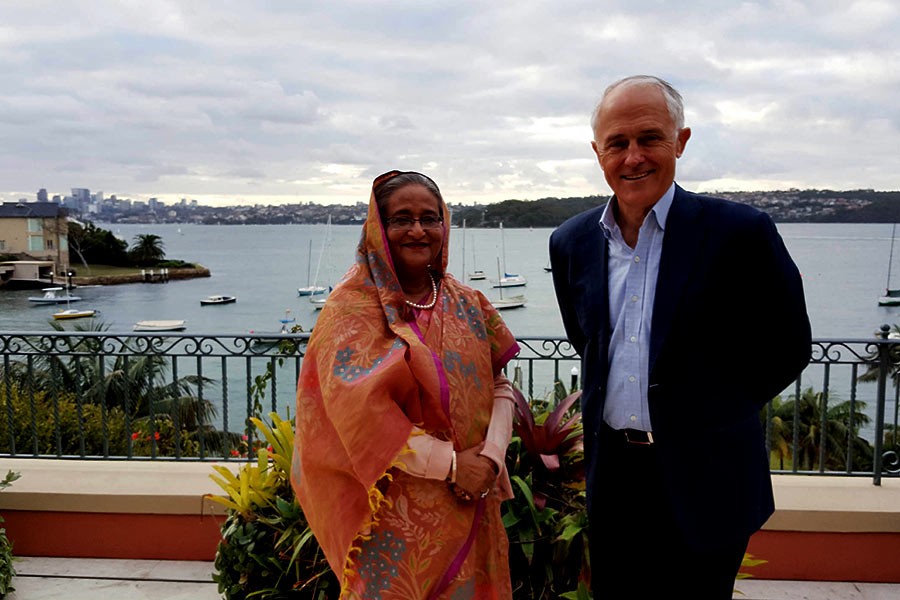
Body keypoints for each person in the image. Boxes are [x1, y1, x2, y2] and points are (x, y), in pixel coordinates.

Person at [549, 75, 812, 598]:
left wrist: (712, 414)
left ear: (680, 141)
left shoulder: (740, 233)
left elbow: (788, 346)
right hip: (615, 478)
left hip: (709, 475)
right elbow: (588, 340)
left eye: (649, 138)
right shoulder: (571, 242)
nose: (633, 157)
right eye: (617, 143)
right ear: (598, 152)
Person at [291, 170, 520, 599]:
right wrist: (454, 465)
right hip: (393, 519)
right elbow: (360, 420)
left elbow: (500, 386)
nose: (418, 230)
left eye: (430, 218)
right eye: (402, 219)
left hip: (474, 497)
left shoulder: (469, 302)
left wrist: (489, 459)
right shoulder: (350, 310)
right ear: (378, 229)